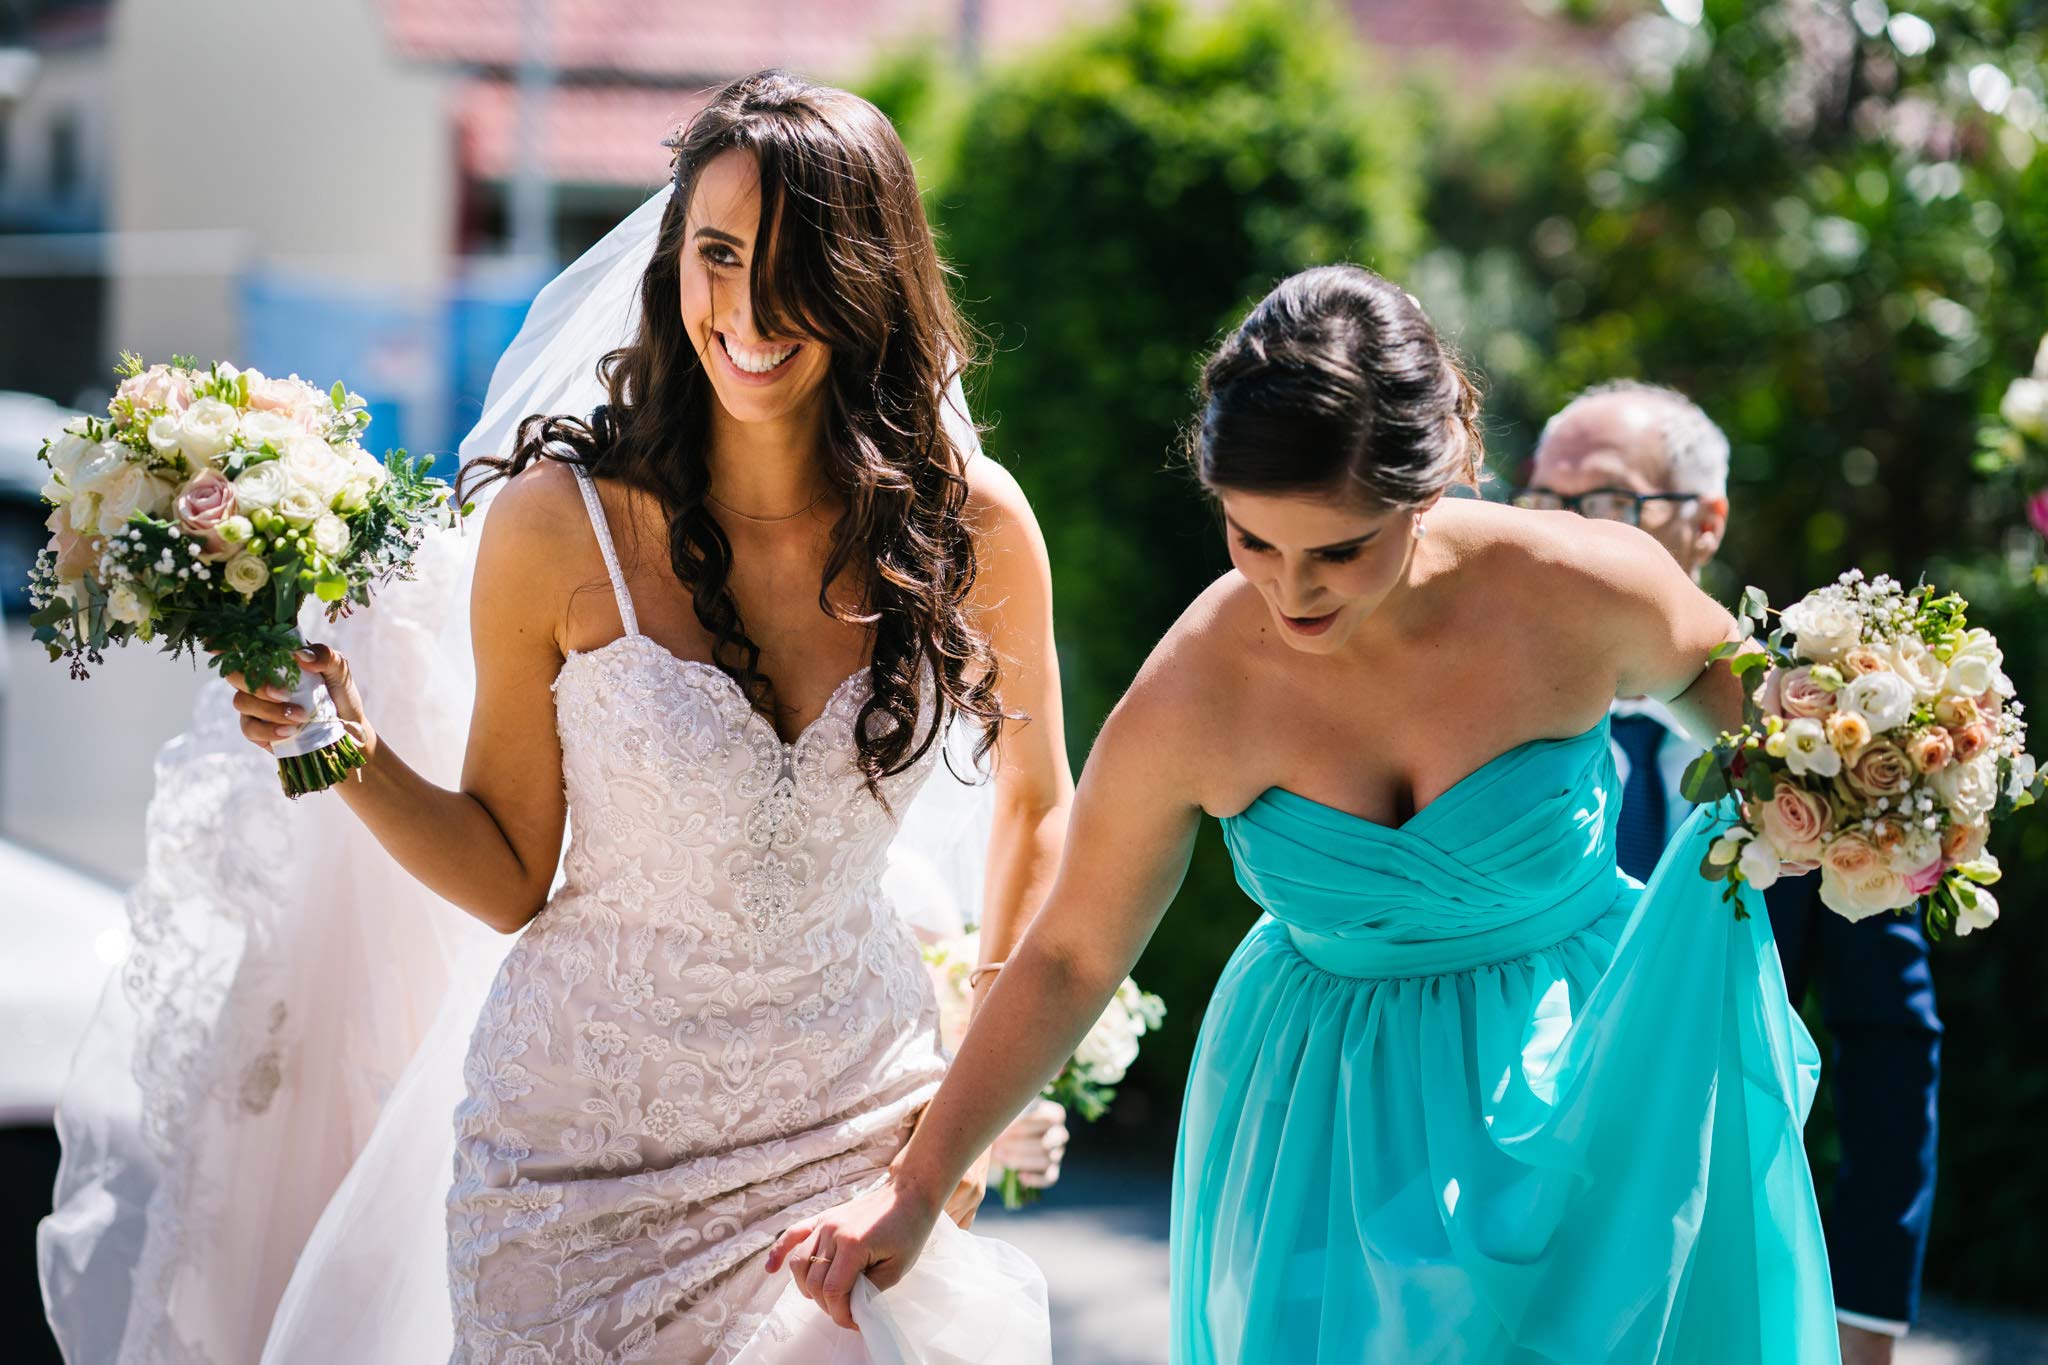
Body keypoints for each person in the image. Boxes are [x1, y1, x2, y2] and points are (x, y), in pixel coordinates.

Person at [43, 70, 1072, 1365]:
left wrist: (956, 1130)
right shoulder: (560, 524)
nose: (747, 307)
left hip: (857, 1131)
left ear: (872, 276)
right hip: (579, 1170)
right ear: (669, 264)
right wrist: (339, 749)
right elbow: (515, 871)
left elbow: (1041, 812)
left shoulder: (973, 527)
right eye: (716, 254)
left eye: (795, 262)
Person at [771, 264, 1841, 1362]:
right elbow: (1071, 953)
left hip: (1584, 1082)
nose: (1290, 594)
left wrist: (1895, 772)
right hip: (1327, 1120)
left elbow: (1786, 738)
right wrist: (914, 1185)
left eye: (1338, 550)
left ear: (1428, 488)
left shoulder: (1583, 589)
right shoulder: (1193, 687)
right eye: (1251, 543)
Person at [1524, 382, 1941, 1365]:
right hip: (1510, 1232)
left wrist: (1864, 1313)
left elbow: (1884, 1038)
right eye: (1540, 501)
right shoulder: (1486, 716)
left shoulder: (1819, 727)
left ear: (1703, 523)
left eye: (1604, 503)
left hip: (1723, 1246)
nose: (1562, 535)